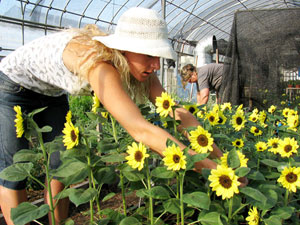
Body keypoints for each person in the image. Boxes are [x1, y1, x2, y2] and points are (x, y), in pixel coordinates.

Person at [0, 7, 243, 225]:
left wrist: (222, 160)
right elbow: (139, 129)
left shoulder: (138, 65)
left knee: (61, 163)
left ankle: (57, 221)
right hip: (11, 85)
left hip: (51, 91)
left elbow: (176, 112)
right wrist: (209, 169)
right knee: (15, 167)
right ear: (125, 50)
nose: (156, 64)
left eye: (158, 56)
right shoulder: (101, 66)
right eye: (149, 55)